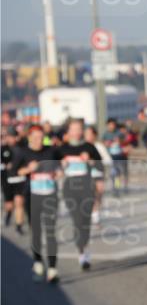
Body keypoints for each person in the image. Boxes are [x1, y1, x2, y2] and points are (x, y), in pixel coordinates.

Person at [11, 125, 61, 282]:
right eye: (35, 137)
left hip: (50, 194)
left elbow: (60, 166)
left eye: (41, 137)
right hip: (32, 196)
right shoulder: (23, 152)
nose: (39, 140)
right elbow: (13, 172)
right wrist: (27, 169)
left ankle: (52, 269)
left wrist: (59, 173)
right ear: (29, 137)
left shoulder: (51, 151)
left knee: (51, 231)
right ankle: (38, 261)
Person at [59, 119, 102, 271]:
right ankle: (81, 252)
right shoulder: (62, 149)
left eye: (79, 128)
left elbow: (100, 164)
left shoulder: (89, 147)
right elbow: (53, 168)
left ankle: (85, 246)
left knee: (85, 221)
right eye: (74, 129)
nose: (77, 131)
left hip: (87, 188)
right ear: (68, 131)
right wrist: (61, 165)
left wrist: (90, 161)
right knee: (77, 220)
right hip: (70, 188)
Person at [84, 125, 112, 224]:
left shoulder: (99, 146)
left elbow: (108, 160)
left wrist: (96, 162)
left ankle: (95, 213)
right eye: (86, 134)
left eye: (90, 134)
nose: (88, 136)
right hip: (85, 175)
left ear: (94, 135)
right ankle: (89, 211)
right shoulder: (81, 147)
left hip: (98, 174)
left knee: (98, 193)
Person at [2, 128, 26, 233]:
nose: (10, 138)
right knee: (9, 204)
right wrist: (6, 165)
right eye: (8, 136)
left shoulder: (22, 149)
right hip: (6, 180)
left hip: (19, 180)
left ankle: (19, 226)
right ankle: (8, 214)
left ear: (16, 137)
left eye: (12, 136)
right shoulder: (3, 149)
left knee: (19, 202)